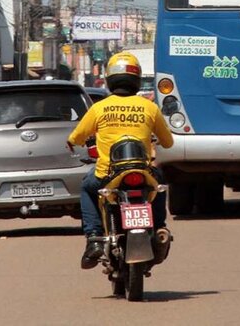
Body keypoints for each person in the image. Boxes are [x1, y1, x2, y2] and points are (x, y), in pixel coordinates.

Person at [67, 51, 174, 270]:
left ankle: (94, 239)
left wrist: (72, 143)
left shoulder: (99, 108)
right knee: (160, 186)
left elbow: (76, 137)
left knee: (87, 188)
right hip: (143, 172)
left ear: (109, 79)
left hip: (108, 174)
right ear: (136, 79)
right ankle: (160, 227)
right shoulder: (149, 107)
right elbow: (168, 142)